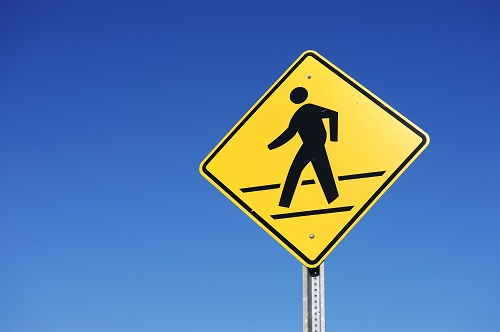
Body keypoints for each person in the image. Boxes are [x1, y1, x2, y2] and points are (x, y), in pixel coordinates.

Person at [268, 87, 339, 208]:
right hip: (313, 144)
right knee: (322, 170)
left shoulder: (308, 109)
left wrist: (334, 138)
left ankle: (284, 203)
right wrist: (270, 146)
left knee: (296, 170)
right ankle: (333, 199)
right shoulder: (300, 114)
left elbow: (333, 114)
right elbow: (289, 133)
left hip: (313, 143)